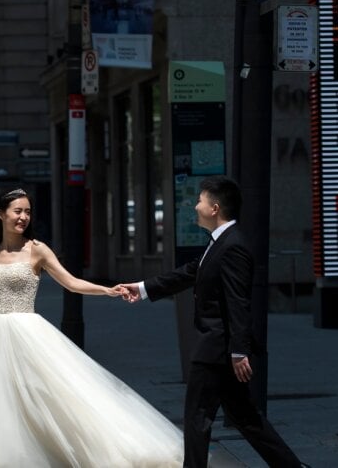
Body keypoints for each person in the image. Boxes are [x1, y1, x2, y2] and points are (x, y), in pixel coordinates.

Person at [0, 188, 183, 467]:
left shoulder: (37, 249)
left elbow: (71, 282)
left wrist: (106, 290)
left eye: (27, 211)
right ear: (1, 214)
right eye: (17, 211)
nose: (23, 217)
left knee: (46, 396)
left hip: (27, 331)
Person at [121, 176, 305, 468]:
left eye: (200, 201)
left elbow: (238, 301)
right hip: (221, 348)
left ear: (215, 208)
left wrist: (239, 351)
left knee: (197, 417)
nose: (195, 206)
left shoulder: (233, 246)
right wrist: (143, 288)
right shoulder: (221, 243)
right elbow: (188, 273)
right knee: (245, 417)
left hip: (216, 349)